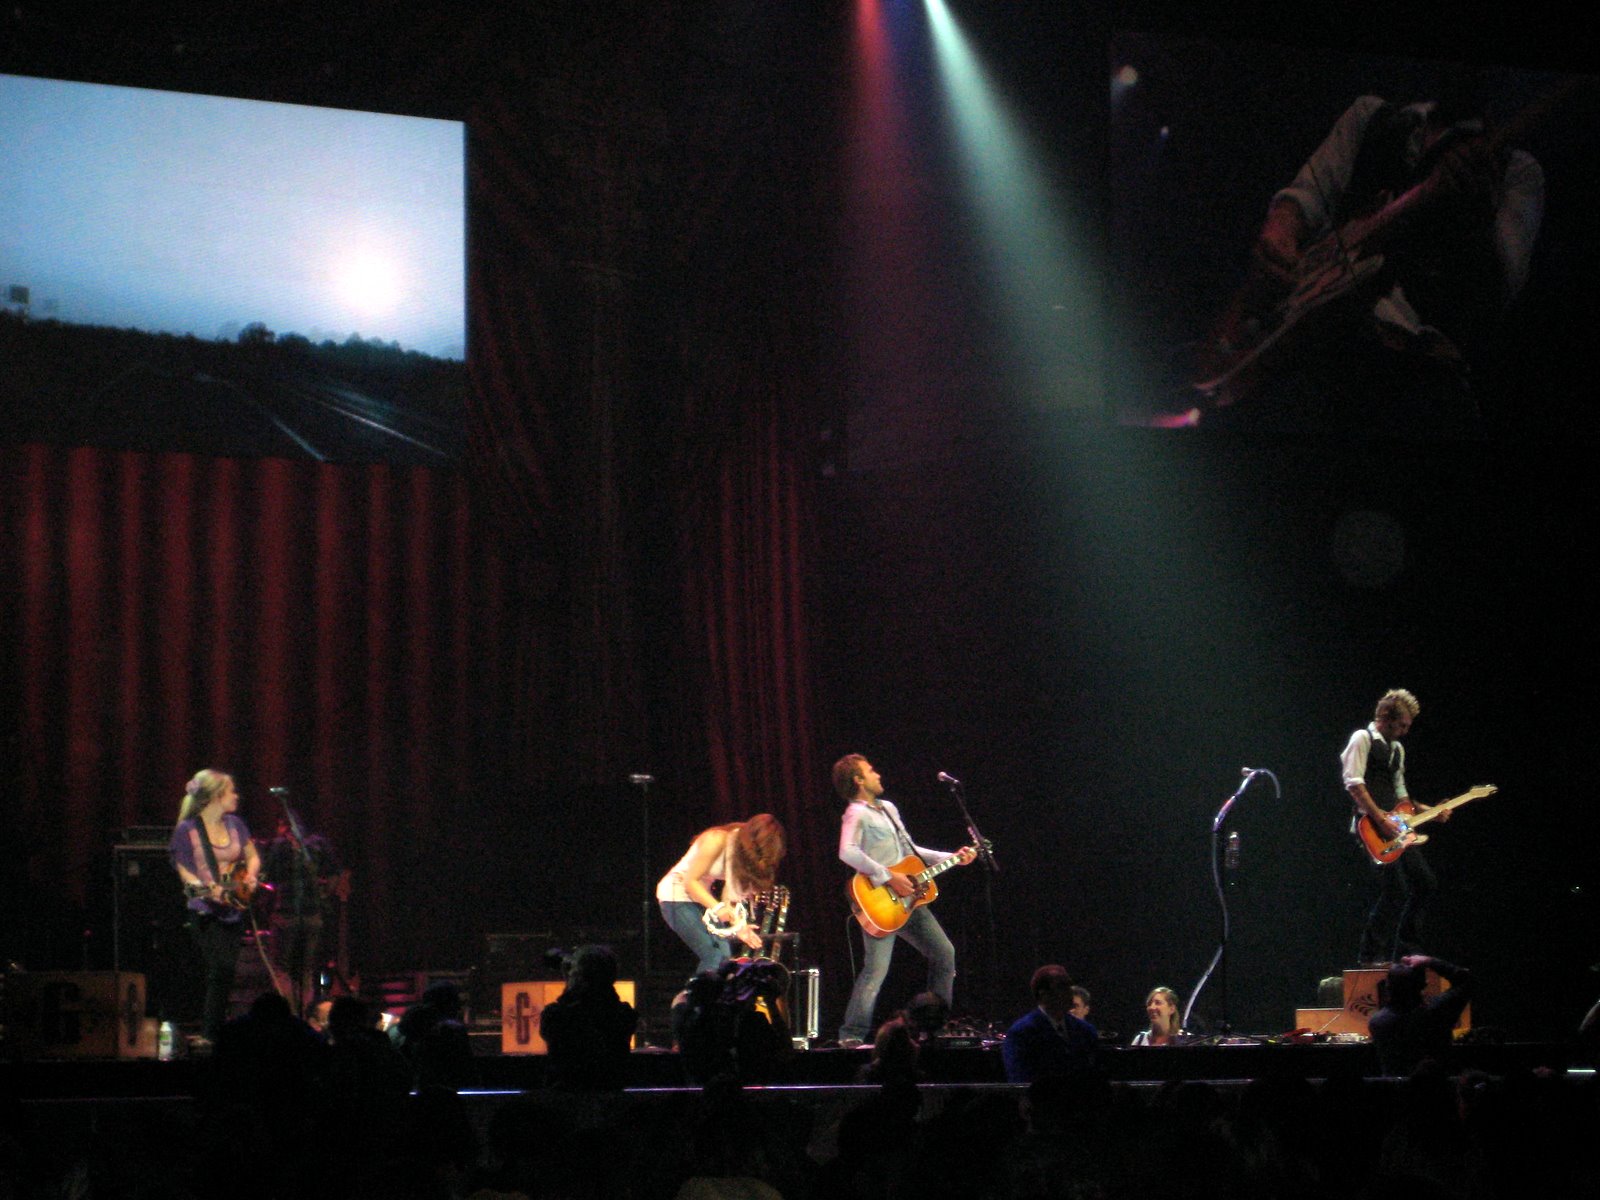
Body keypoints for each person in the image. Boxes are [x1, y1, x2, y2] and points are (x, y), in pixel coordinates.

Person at [1206, 72, 1544, 435]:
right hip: (1306, 341)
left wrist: (1476, 213)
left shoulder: (1517, 172)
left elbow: (1495, 300)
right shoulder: (1371, 115)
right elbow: (1305, 196)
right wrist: (1280, 232)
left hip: (1409, 374)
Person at [834, 753, 976, 1047]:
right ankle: (851, 1036)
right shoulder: (856, 813)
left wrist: (952, 857)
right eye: (870, 771)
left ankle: (934, 1027)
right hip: (879, 901)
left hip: (909, 901)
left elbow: (911, 851)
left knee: (944, 954)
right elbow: (846, 851)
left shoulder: (888, 808)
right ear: (858, 780)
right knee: (876, 970)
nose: (878, 775)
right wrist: (888, 876)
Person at [1343, 688, 1450, 966]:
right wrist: (1381, 819)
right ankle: (1369, 956)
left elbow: (1401, 795)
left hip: (1396, 827)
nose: (1405, 731)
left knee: (1425, 882)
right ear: (1385, 718)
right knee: (1395, 890)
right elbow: (1354, 785)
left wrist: (1428, 812)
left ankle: (1406, 951)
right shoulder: (1362, 739)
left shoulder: (1397, 750)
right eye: (1401, 725)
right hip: (1370, 827)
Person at [169, 768, 261, 1043]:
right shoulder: (186, 830)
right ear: (216, 796)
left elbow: (252, 856)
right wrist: (209, 890)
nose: (236, 796)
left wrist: (251, 876)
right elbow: (186, 876)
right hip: (204, 911)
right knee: (220, 968)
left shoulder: (236, 824)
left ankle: (216, 1032)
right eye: (231, 791)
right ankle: (210, 1033)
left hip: (233, 910)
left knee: (226, 972)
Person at [656, 813, 786, 978]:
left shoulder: (738, 850)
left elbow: (729, 892)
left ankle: (709, 993)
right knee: (713, 956)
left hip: (701, 898)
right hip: (675, 896)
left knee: (724, 958)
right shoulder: (716, 840)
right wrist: (717, 908)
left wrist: (739, 926)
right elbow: (690, 882)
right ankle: (698, 994)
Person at [263, 814, 348, 1019]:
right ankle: (307, 1016)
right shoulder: (319, 844)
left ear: (283, 825)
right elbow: (335, 874)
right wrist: (324, 894)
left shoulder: (279, 846)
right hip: (313, 915)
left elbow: (267, 875)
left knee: (281, 968)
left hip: (285, 914)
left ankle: (288, 1015)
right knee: (307, 970)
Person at [538, 944, 638, 1090]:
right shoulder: (624, 1014)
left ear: (577, 977)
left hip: (566, 1094)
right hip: (611, 1093)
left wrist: (570, 984)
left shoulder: (556, 1015)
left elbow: (564, 1017)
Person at [1368, 954, 1475, 1075]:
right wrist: (1429, 961)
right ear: (1424, 984)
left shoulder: (1377, 1023)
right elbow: (1467, 981)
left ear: (1386, 986)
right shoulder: (1437, 1013)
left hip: (1396, 1086)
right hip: (1437, 1084)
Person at [1002, 965, 1101, 1084]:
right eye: (1062, 987)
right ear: (1044, 994)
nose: (1070, 992)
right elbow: (1020, 1081)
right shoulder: (1022, 1033)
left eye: (1069, 986)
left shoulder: (1085, 1030)